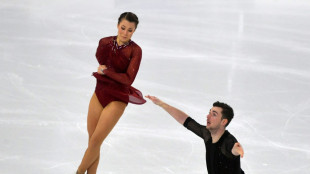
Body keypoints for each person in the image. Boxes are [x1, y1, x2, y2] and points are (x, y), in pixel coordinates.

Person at [76, 12, 146, 174]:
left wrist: (107, 72)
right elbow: (100, 59)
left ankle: (78, 172)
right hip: (99, 92)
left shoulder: (135, 50)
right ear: (117, 25)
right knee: (93, 142)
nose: (125, 33)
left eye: (130, 30)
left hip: (117, 98)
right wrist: (105, 72)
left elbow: (128, 79)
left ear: (134, 31)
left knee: (95, 142)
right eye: (123, 28)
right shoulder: (104, 42)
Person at [146, 95, 245, 174]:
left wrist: (237, 150)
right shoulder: (207, 134)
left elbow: (233, 148)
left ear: (223, 122)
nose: (208, 116)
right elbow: (185, 120)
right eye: (209, 112)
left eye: (214, 114)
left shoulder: (228, 141)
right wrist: (161, 104)